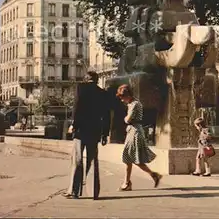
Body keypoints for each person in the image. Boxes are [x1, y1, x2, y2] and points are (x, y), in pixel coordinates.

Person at [63, 71, 111, 200]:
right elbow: (106, 115)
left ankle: (74, 191)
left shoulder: (81, 88)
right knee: (93, 160)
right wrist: (105, 134)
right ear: (96, 80)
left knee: (77, 160)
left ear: (86, 79)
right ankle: (94, 192)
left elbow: (77, 107)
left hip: (81, 129)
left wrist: (74, 124)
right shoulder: (103, 93)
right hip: (95, 130)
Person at [116, 84, 162, 191]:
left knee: (132, 158)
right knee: (131, 158)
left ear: (127, 95)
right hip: (133, 131)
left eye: (122, 97)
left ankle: (128, 183)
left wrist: (125, 119)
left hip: (135, 132)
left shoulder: (135, 104)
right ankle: (129, 182)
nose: (122, 100)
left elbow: (128, 119)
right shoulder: (133, 103)